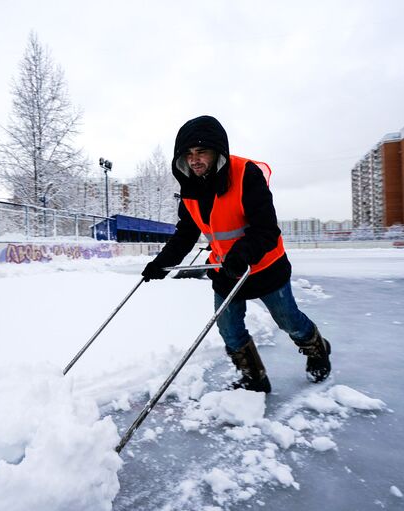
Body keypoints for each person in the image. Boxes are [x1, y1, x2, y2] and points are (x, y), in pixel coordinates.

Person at [141, 115, 331, 393]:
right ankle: (254, 377)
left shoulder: (246, 175)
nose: (194, 160)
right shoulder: (190, 187)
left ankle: (317, 348)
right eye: (189, 154)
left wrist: (242, 254)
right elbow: (186, 233)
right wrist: (161, 263)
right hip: (225, 270)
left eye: (201, 152)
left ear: (217, 152)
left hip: (266, 267)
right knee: (229, 329)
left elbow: (266, 229)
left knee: (289, 321)